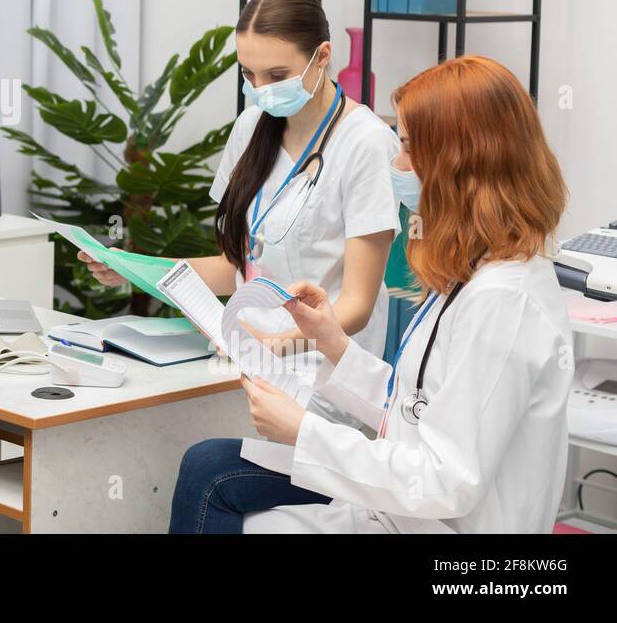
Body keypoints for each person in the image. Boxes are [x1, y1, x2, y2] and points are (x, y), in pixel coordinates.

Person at [175, 55, 571, 533]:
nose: (396, 164)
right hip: (403, 511)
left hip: (439, 525)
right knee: (216, 474)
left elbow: (448, 481)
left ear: (461, 162)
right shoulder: (475, 274)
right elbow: (415, 408)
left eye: (406, 148)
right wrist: (333, 344)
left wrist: (305, 432)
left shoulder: (503, 302)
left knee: (224, 492)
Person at [83, 0, 400, 424]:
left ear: (322, 56)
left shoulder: (366, 143)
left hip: (322, 383)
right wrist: (132, 268)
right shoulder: (253, 127)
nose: (261, 89)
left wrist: (274, 344)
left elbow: (357, 307)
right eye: (248, 75)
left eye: (276, 75)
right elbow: (238, 267)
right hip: (245, 355)